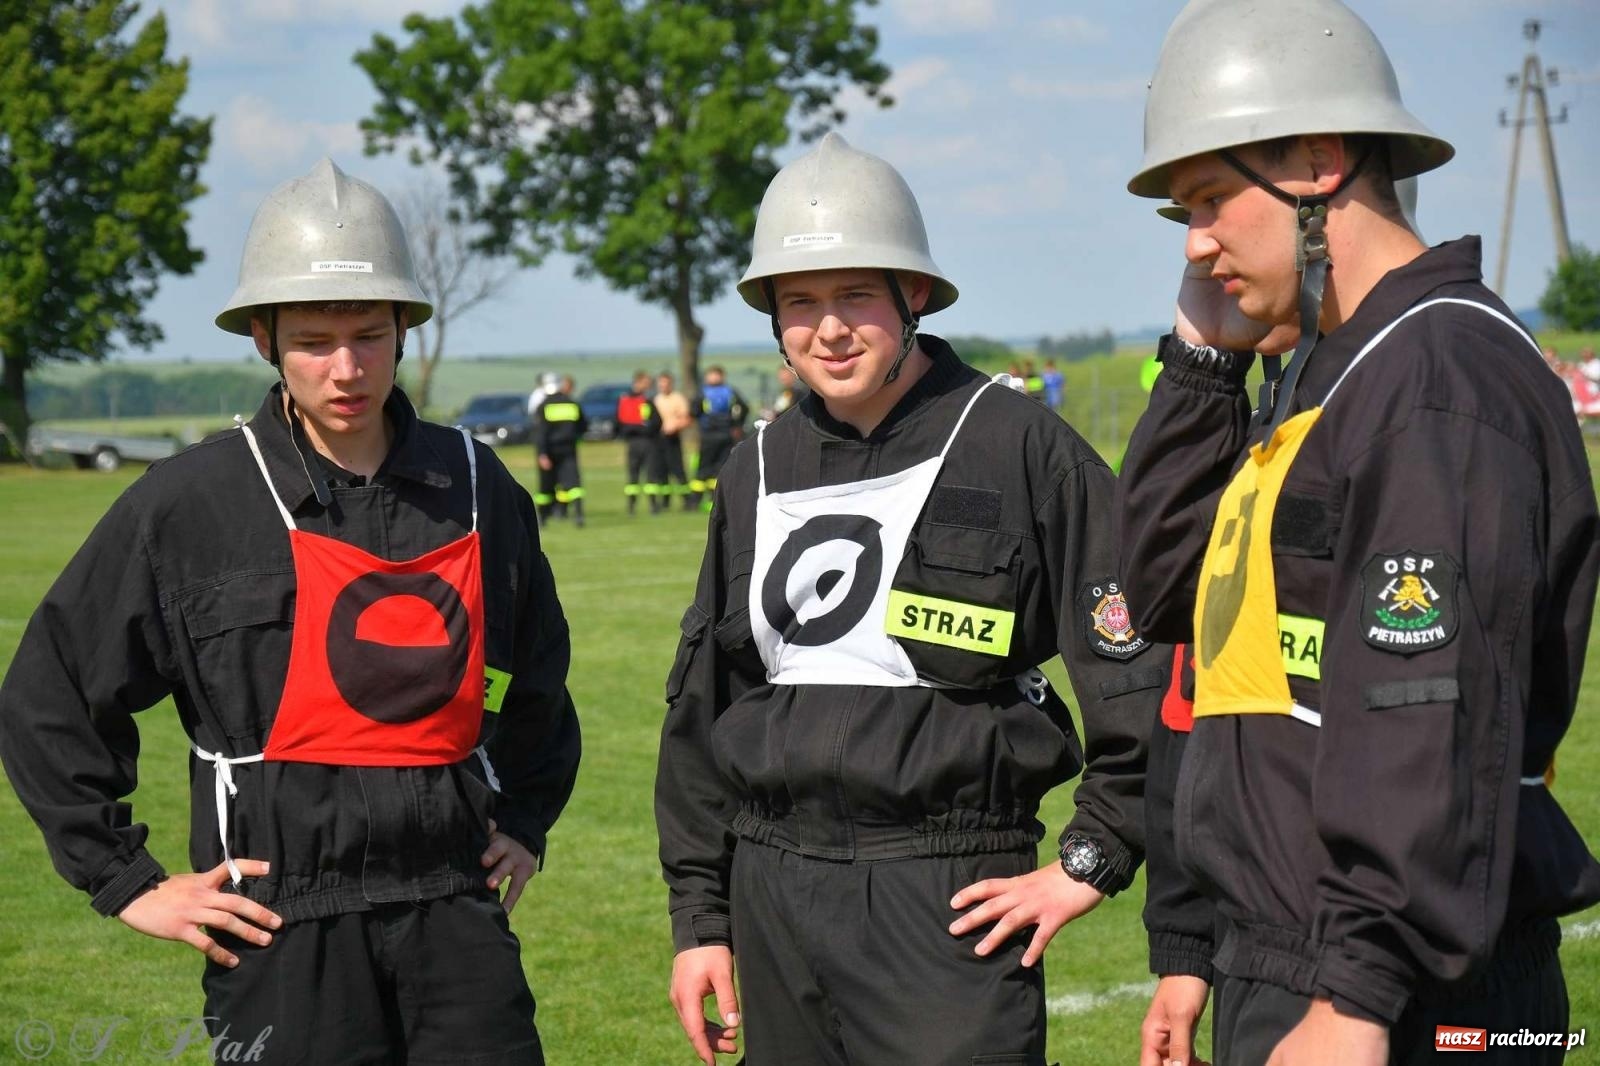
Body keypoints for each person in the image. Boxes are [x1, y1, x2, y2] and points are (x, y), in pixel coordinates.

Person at [0, 158, 581, 1065]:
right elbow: (52, 692)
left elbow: (535, 672)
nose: (346, 368)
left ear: (403, 331)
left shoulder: (478, 486)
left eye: (369, 336)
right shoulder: (192, 502)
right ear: (265, 339)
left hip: (453, 913)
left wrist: (527, 818)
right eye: (314, 339)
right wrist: (128, 881)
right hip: (278, 927)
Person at [1116, 3, 1600, 1064]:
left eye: (1207, 199)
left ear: (1318, 162)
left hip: (1406, 996)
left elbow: (1426, 708)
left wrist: (1357, 997)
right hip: (1288, 956)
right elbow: (1165, 597)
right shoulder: (1326, 371)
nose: (1194, 243)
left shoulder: (1436, 378)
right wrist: (1202, 360)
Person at [655, 132, 1162, 1066]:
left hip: (948, 901)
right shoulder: (753, 467)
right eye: (799, 304)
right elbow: (702, 711)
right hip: (774, 894)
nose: (829, 330)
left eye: (856, 297)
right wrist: (701, 919)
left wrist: (1094, 857)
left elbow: (1144, 674)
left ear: (914, 295)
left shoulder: (1019, 447)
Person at [688, 366, 747, 511]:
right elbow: (744, 409)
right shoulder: (725, 392)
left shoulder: (709, 392)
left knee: (712, 468)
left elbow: (694, 411)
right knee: (711, 467)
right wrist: (736, 424)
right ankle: (704, 501)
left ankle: (703, 501)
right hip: (717, 434)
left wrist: (735, 425)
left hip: (717, 435)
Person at [534, 374, 588, 527]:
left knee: (546, 486)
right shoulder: (572, 403)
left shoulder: (543, 405)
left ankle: (542, 518)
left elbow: (540, 433)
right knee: (573, 483)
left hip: (549, 450)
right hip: (569, 448)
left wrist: (542, 453)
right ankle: (578, 515)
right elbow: (583, 426)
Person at [617, 370, 664, 515]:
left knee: (647, 475)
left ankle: (649, 505)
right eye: (646, 383)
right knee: (636, 475)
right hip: (641, 441)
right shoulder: (639, 401)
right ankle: (637, 506)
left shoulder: (629, 400)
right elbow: (619, 422)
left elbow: (656, 421)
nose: (648, 386)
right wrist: (643, 428)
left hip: (641, 441)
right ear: (638, 382)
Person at [654, 371, 695, 510]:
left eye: (665, 383)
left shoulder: (677, 398)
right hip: (659, 438)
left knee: (678, 469)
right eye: (661, 383)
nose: (663, 386)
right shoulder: (657, 399)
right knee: (661, 470)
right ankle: (665, 502)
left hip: (673, 437)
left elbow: (687, 418)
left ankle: (687, 500)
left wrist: (676, 426)